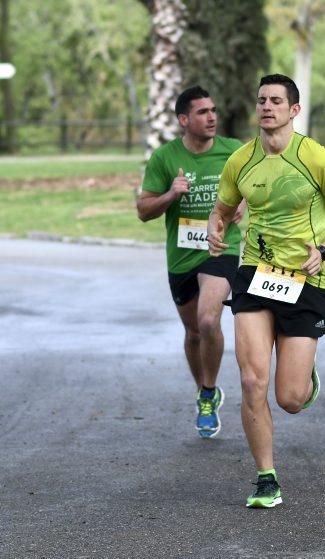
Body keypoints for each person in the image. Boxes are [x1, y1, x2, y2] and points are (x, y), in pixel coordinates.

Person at [206, 74, 325, 508]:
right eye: (261, 100)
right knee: (252, 379)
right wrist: (214, 230)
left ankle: (303, 378)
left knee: (288, 398)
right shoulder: (240, 160)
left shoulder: (316, 158)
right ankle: (266, 478)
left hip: (305, 278)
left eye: (276, 101)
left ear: (294, 110)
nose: (267, 107)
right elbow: (221, 210)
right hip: (255, 272)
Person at [137, 85, 244, 439]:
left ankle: (210, 391)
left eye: (213, 110)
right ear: (184, 119)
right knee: (194, 331)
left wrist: (245, 205)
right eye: (202, 112)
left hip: (220, 250)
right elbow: (143, 210)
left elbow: (260, 189)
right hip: (182, 256)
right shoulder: (165, 158)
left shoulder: (234, 152)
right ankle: (203, 391)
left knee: (208, 319)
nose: (211, 117)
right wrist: (171, 193)